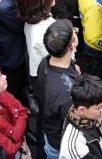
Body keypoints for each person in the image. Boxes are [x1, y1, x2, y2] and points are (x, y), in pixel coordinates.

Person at [37, 20, 80, 159]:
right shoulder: (67, 92)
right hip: (62, 146)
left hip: (50, 134)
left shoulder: (45, 62)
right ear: (71, 46)